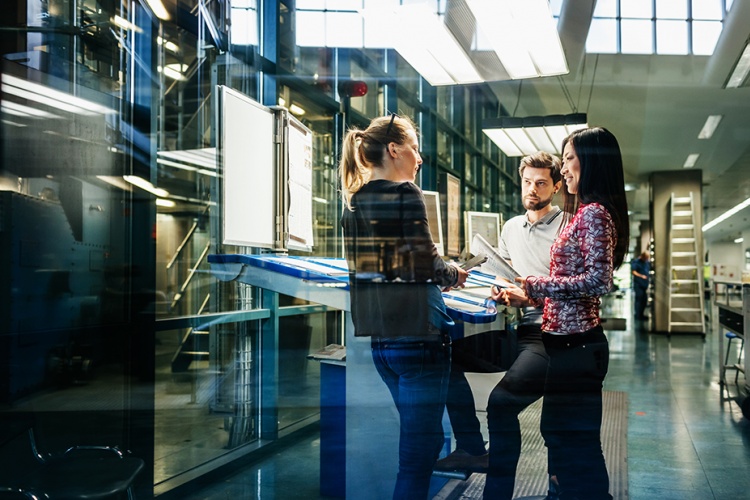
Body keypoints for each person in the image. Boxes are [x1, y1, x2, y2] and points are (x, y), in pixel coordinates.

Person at [339, 113, 469, 500]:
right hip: (418, 337)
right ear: (394, 150)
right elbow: (426, 262)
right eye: (415, 148)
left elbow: (379, 270)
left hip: (383, 343)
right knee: (417, 454)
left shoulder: (355, 203)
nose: (419, 158)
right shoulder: (406, 192)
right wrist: (453, 275)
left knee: (424, 443)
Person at [496, 127, 629, 500]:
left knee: (576, 444)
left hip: (578, 347)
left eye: (570, 158)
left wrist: (535, 286)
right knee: (563, 436)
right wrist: (532, 295)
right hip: (564, 344)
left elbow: (598, 281)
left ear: (592, 161)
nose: (565, 167)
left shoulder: (595, 215)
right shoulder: (586, 212)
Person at [436, 152, 565, 500]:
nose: (533, 189)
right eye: (527, 182)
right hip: (520, 330)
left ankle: (496, 494)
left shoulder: (567, 226)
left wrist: (530, 296)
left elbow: (571, 288)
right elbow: (507, 276)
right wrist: (493, 286)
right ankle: (472, 446)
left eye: (541, 183)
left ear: (556, 185)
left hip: (551, 335)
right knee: (442, 357)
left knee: (502, 402)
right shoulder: (511, 227)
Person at [631, 250, 651, 320]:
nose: (646, 259)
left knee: (644, 300)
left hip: (644, 285)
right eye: (646, 257)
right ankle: (638, 315)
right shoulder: (636, 262)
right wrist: (641, 276)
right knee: (639, 300)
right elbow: (633, 272)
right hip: (638, 284)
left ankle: (641, 314)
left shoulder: (646, 263)